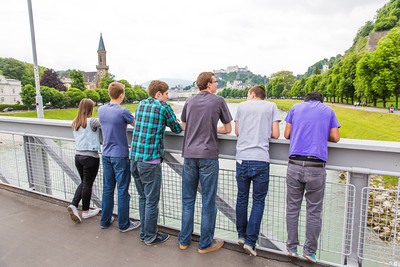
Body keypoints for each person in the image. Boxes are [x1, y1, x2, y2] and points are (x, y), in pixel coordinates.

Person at [178, 72, 232, 253]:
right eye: (216, 82)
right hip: (208, 156)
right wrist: (211, 129)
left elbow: (184, 126)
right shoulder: (218, 101)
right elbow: (228, 128)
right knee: (208, 201)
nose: (217, 85)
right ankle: (205, 244)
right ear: (209, 84)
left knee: (187, 200)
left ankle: (184, 241)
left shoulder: (189, 101)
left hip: (189, 155)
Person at [284, 92, 340, 263]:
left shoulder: (295, 108)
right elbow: (335, 137)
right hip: (316, 166)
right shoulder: (328, 110)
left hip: (294, 164)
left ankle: (291, 249)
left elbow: (286, 134)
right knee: (314, 211)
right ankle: (309, 251)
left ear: (305, 100)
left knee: (293, 209)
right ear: (321, 101)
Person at [130, 80, 182, 245]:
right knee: (152, 201)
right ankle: (150, 236)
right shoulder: (163, 106)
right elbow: (176, 128)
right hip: (150, 161)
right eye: (166, 94)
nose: (167, 97)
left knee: (143, 198)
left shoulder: (140, 104)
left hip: (134, 158)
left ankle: (144, 232)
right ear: (159, 94)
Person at [234, 86, 280, 256]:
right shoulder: (271, 106)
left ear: (252, 94)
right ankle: (251, 241)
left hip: (242, 159)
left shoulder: (241, 106)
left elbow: (237, 131)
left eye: (248, 94)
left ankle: (241, 234)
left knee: (242, 198)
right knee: (258, 201)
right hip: (261, 159)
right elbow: (275, 134)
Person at [98, 82, 140, 232]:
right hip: (120, 155)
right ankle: (124, 224)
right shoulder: (123, 111)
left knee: (108, 188)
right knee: (122, 190)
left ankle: (105, 220)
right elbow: (138, 125)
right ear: (121, 95)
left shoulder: (101, 110)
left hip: (106, 153)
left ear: (109, 93)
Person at [67, 98, 101, 223]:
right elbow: (106, 121)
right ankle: (85, 211)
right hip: (90, 157)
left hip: (78, 157)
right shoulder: (92, 122)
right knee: (87, 183)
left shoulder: (75, 122)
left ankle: (74, 205)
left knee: (84, 182)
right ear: (90, 109)